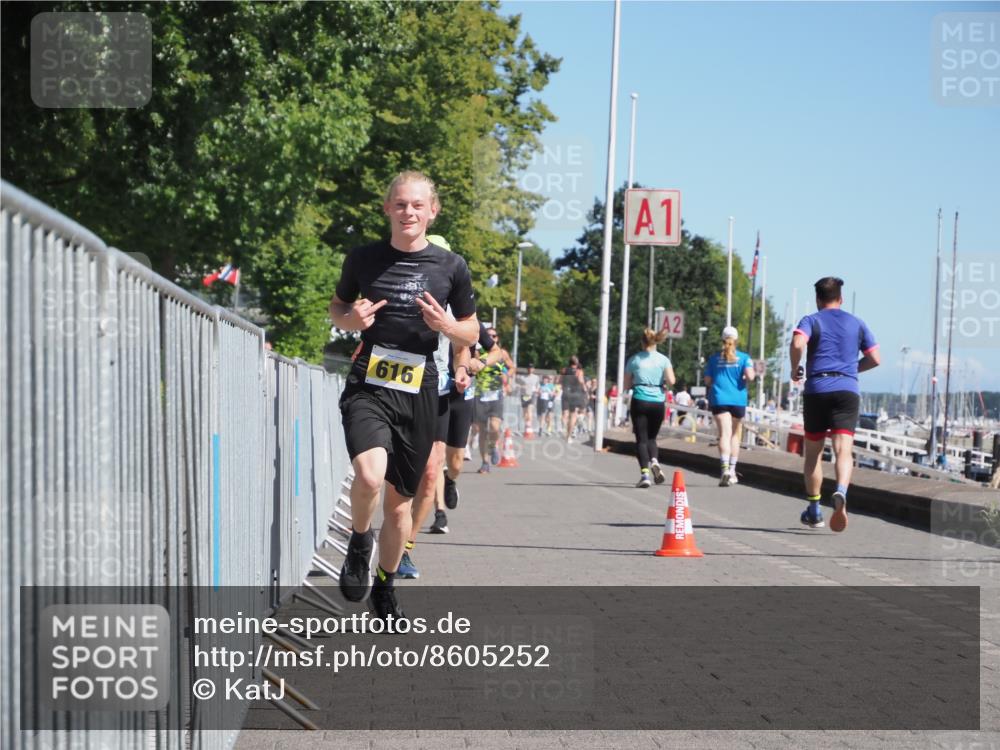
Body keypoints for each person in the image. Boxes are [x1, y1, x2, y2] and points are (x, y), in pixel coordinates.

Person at [329, 172, 479, 621]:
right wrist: (350, 319)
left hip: (418, 391)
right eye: (400, 204)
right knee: (370, 477)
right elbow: (337, 308)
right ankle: (359, 542)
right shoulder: (363, 259)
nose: (408, 212)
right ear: (387, 209)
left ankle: (385, 585)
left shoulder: (451, 266)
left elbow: (470, 329)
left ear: (432, 211)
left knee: (398, 507)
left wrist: (447, 329)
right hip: (369, 384)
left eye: (417, 205)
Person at [790, 276, 879, 532]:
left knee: (814, 453)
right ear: (840, 298)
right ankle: (841, 491)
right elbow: (875, 358)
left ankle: (815, 509)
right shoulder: (856, 322)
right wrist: (851, 370)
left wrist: (795, 367)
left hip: (817, 388)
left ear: (818, 299)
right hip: (846, 390)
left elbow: (797, 342)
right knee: (843, 450)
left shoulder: (811, 320)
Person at [624, 328, 676, 487]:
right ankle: (654, 460)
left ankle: (645, 475)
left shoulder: (634, 360)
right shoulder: (663, 360)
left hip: (640, 399)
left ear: (642, 342)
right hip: (658, 401)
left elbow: (626, 385)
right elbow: (672, 381)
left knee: (641, 439)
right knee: (652, 438)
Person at [704, 326, 755, 487]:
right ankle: (732, 471)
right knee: (734, 436)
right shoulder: (744, 358)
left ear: (722, 340)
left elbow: (707, 381)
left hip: (719, 399)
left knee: (724, 434)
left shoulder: (713, 359)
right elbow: (751, 376)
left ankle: (724, 469)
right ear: (736, 340)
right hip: (738, 399)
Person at [473, 328, 514, 473]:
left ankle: (493, 445)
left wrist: (507, 375)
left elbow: (511, 367)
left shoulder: (502, 353)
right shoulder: (477, 352)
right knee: (482, 430)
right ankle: (485, 462)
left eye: (493, 335)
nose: (490, 337)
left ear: (497, 338)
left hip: (496, 394)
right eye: (488, 335)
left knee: (495, 427)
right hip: (480, 393)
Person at [560, 356, 587, 443]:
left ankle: (563, 428)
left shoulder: (564, 370)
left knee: (565, 413)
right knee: (573, 415)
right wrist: (585, 391)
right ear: (576, 362)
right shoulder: (579, 371)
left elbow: (560, 381)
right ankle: (568, 437)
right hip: (575, 394)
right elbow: (581, 381)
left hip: (566, 393)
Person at [518, 363, 541, 435]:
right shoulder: (522, 377)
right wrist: (522, 387)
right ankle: (527, 425)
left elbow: (538, 386)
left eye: (531, 368)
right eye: (529, 368)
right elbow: (518, 385)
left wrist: (538, 390)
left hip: (532, 395)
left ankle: (529, 425)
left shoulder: (536, 377)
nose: (530, 369)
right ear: (527, 369)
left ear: (533, 369)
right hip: (524, 395)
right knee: (525, 413)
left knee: (529, 409)